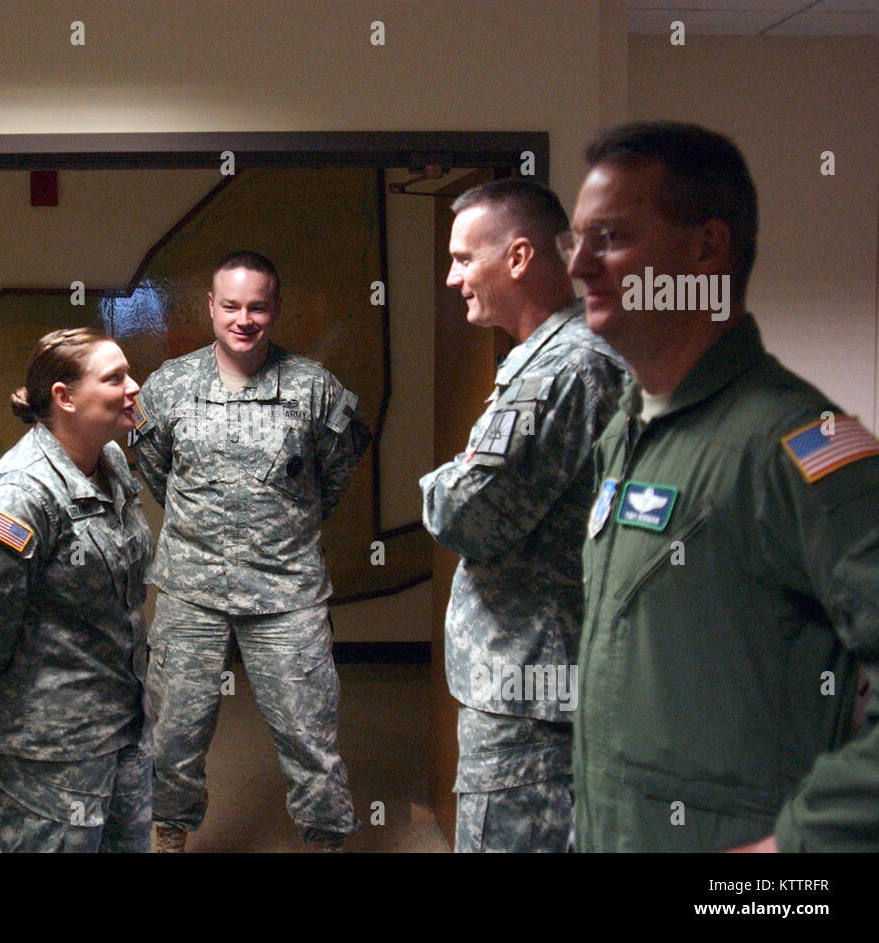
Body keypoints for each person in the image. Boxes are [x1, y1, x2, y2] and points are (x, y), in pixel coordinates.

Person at [566, 120, 879, 852]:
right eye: (573, 240)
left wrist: (801, 843)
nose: (579, 265)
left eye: (608, 238)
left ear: (706, 248)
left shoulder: (811, 442)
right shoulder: (628, 430)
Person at [130, 250, 371, 852]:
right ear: (211, 307)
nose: (244, 319)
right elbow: (154, 470)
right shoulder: (168, 387)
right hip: (191, 591)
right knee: (174, 732)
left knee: (308, 734)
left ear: (275, 309)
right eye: (231, 305)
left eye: (257, 307)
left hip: (286, 594)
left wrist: (281, 530)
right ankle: (169, 833)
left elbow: (334, 476)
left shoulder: (314, 388)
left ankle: (323, 840)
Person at [419, 179, 628, 852]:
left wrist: (443, 481)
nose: (452, 278)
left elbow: (469, 515)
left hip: (531, 693)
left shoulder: (560, 370)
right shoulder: (550, 357)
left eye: (462, 259)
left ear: (517, 258)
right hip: (539, 676)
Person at [0, 327, 154, 853]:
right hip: (51, 745)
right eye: (115, 378)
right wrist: (22, 696)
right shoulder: (19, 496)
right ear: (64, 397)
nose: (134, 388)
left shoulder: (109, 465)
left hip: (124, 722)